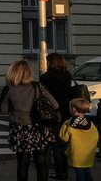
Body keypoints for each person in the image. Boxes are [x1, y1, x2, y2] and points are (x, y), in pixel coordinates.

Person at [0, 59, 58, 181]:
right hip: (40, 127)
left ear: (13, 72)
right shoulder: (38, 86)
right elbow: (55, 104)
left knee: (22, 163)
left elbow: (3, 110)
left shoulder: (9, 89)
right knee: (41, 162)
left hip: (20, 128)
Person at [40, 52, 73, 180]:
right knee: (62, 144)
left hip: (51, 113)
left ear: (51, 63)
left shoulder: (46, 77)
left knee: (52, 145)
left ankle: (58, 172)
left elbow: (43, 96)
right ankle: (63, 171)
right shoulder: (67, 75)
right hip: (65, 112)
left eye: (47, 61)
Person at [60, 98, 99, 181]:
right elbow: (96, 136)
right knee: (87, 172)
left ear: (73, 109)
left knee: (79, 174)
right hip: (87, 154)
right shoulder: (90, 123)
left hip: (76, 153)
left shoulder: (68, 123)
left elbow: (63, 138)